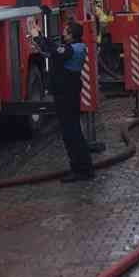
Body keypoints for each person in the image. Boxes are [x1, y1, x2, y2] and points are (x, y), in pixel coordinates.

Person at [36, 21, 95, 183]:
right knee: (72, 132)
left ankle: (81, 170)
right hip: (67, 94)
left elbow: (56, 50)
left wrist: (40, 38)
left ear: (72, 35)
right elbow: (55, 50)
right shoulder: (75, 48)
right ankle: (83, 168)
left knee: (72, 134)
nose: (63, 34)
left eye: (66, 32)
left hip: (66, 95)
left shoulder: (72, 49)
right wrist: (41, 37)